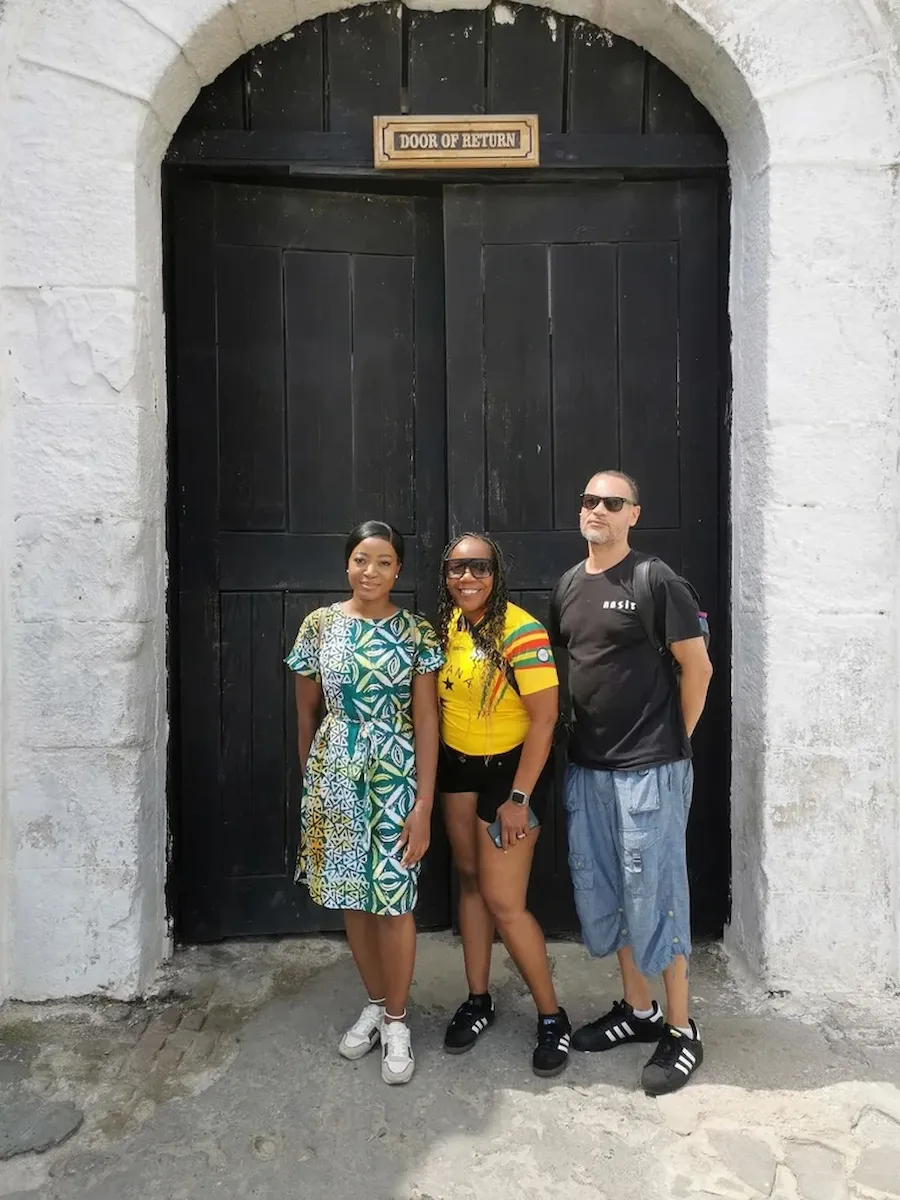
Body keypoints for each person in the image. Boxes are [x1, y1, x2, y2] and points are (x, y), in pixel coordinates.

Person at [549, 471, 713, 1096]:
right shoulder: (567, 586)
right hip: (589, 770)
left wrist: (676, 744)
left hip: (650, 770)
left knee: (659, 895)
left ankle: (680, 1030)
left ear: (633, 514)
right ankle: (638, 1012)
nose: (598, 510)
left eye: (612, 503)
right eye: (589, 499)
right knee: (612, 893)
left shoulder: (656, 581)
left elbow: (697, 669)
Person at [285, 520, 443, 1086]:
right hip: (336, 771)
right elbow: (306, 711)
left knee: (395, 898)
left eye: (382, 561)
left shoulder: (418, 632)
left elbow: (426, 717)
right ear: (347, 565)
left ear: (398, 570)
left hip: (397, 771)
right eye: (360, 559)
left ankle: (397, 1020)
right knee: (354, 894)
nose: (370, 571)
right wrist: (313, 777)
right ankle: (375, 1003)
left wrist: (423, 802)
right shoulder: (319, 625)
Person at [436, 532, 571, 1078]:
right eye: (456, 568)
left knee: (504, 901)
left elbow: (545, 720)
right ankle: (478, 999)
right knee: (469, 881)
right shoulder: (448, 626)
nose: (466, 578)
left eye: (479, 568)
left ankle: (551, 1016)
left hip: (510, 777)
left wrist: (519, 797)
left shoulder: (522, 629)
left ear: (497, 573)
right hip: (456, 768)